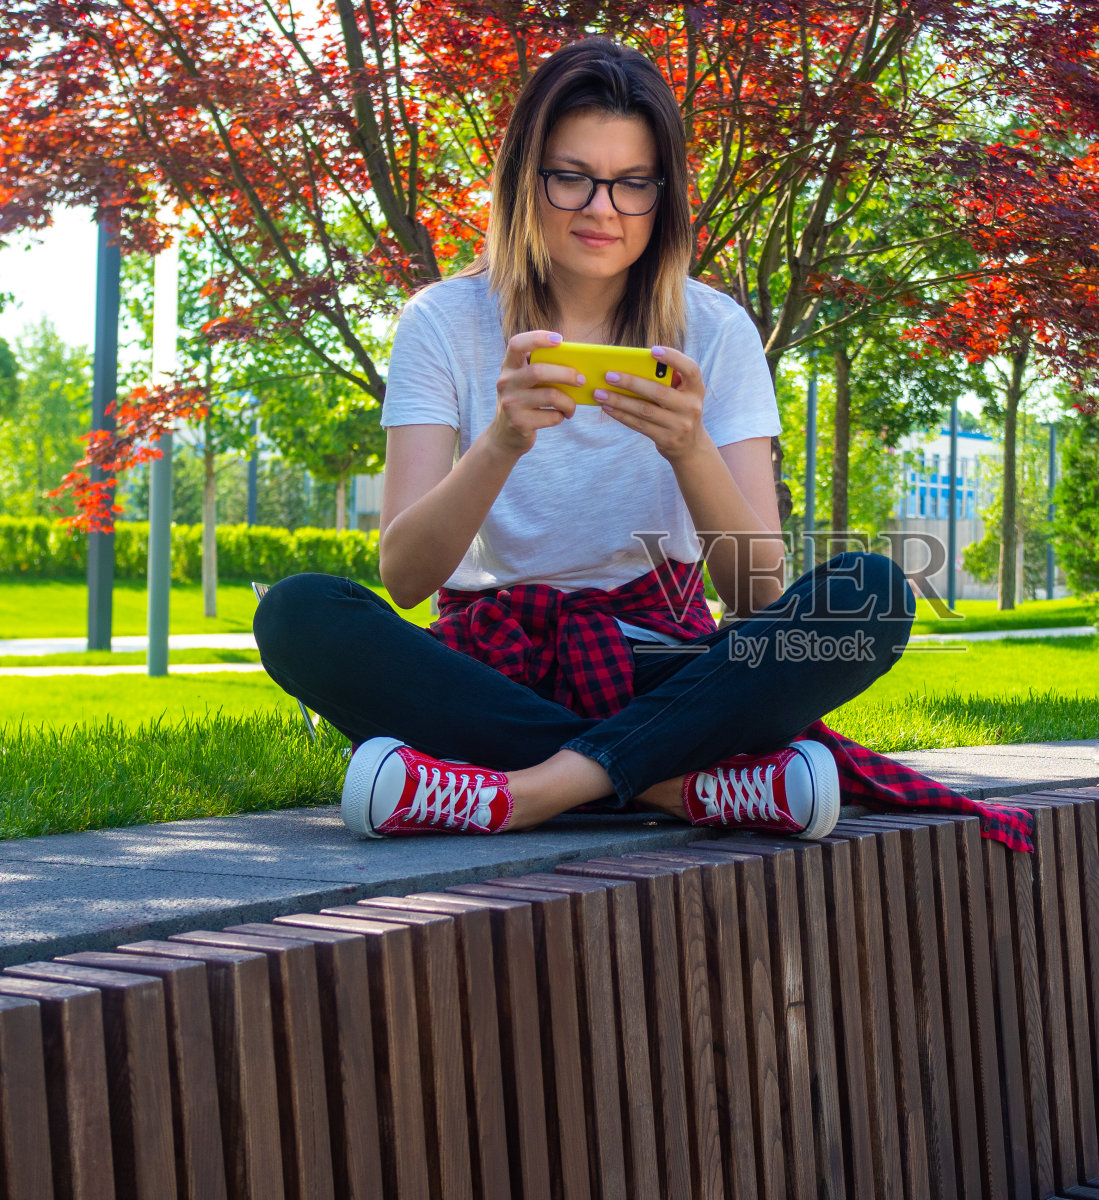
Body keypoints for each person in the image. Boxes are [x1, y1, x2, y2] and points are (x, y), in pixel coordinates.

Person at [254, 36, 922, 842]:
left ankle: (519, 793)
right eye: (572, 177)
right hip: (489, 667)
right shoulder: (440, 320)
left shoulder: (715, 328)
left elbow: (757, 593)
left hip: (657, 665)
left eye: (633, 183)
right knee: (299, 614)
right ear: (524, 181)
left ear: (663, 196)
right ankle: (685, 786)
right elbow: (405, 576)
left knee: (872, 595)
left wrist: (690, 448)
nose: (602, 209)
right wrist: (500, 440)